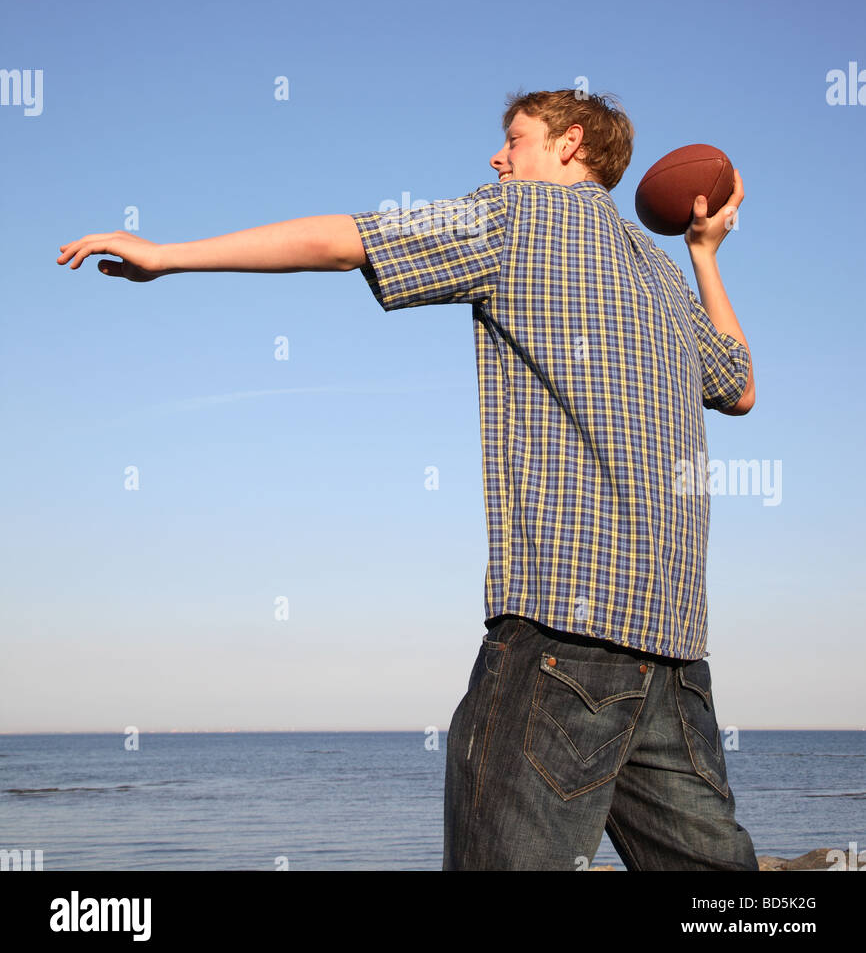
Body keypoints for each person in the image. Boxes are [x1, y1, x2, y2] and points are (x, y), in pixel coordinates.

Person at [57, 87, 758, 872]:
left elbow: (346, 239)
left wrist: (172, 253)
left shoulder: (515, 218)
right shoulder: (659, 272)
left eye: (514, 140)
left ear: (569, 145)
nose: (498, 157)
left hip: (560, 644)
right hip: (671, 657)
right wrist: (705, 255)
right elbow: (738, 384)